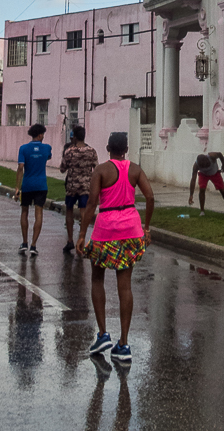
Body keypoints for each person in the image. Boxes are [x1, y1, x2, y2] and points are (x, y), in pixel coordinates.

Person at [77, 131, 153, 365]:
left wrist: (81, 234)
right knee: (125, 285)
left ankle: (102, 335)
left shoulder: (101, 170)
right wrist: (146, 227)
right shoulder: (136, 169)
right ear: (126, 149)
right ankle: (124, 343)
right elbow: (150, 197)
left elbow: (91, 203)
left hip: (105, 229)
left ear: (109, 148)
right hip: (131, 229)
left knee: (97, 279)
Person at [14, 123, 52, 256]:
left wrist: (17, 187)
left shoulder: (23, 149)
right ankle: (33, 245)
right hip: (41, 185)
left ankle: (24, 242)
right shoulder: (47, 148)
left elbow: (20, 167)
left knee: (24, 212)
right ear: (40, 135)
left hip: (28, 185)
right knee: (38, 214)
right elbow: (48, 157)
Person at [60, 126, 97, 253]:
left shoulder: (69, 151)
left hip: (72, 186)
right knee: (83, 211)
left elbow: (62, 168)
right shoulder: (91, 151)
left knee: (69, 211)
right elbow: (96, 168)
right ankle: (82, 239)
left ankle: (70, 240)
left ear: (74, 137)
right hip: (86, 186)